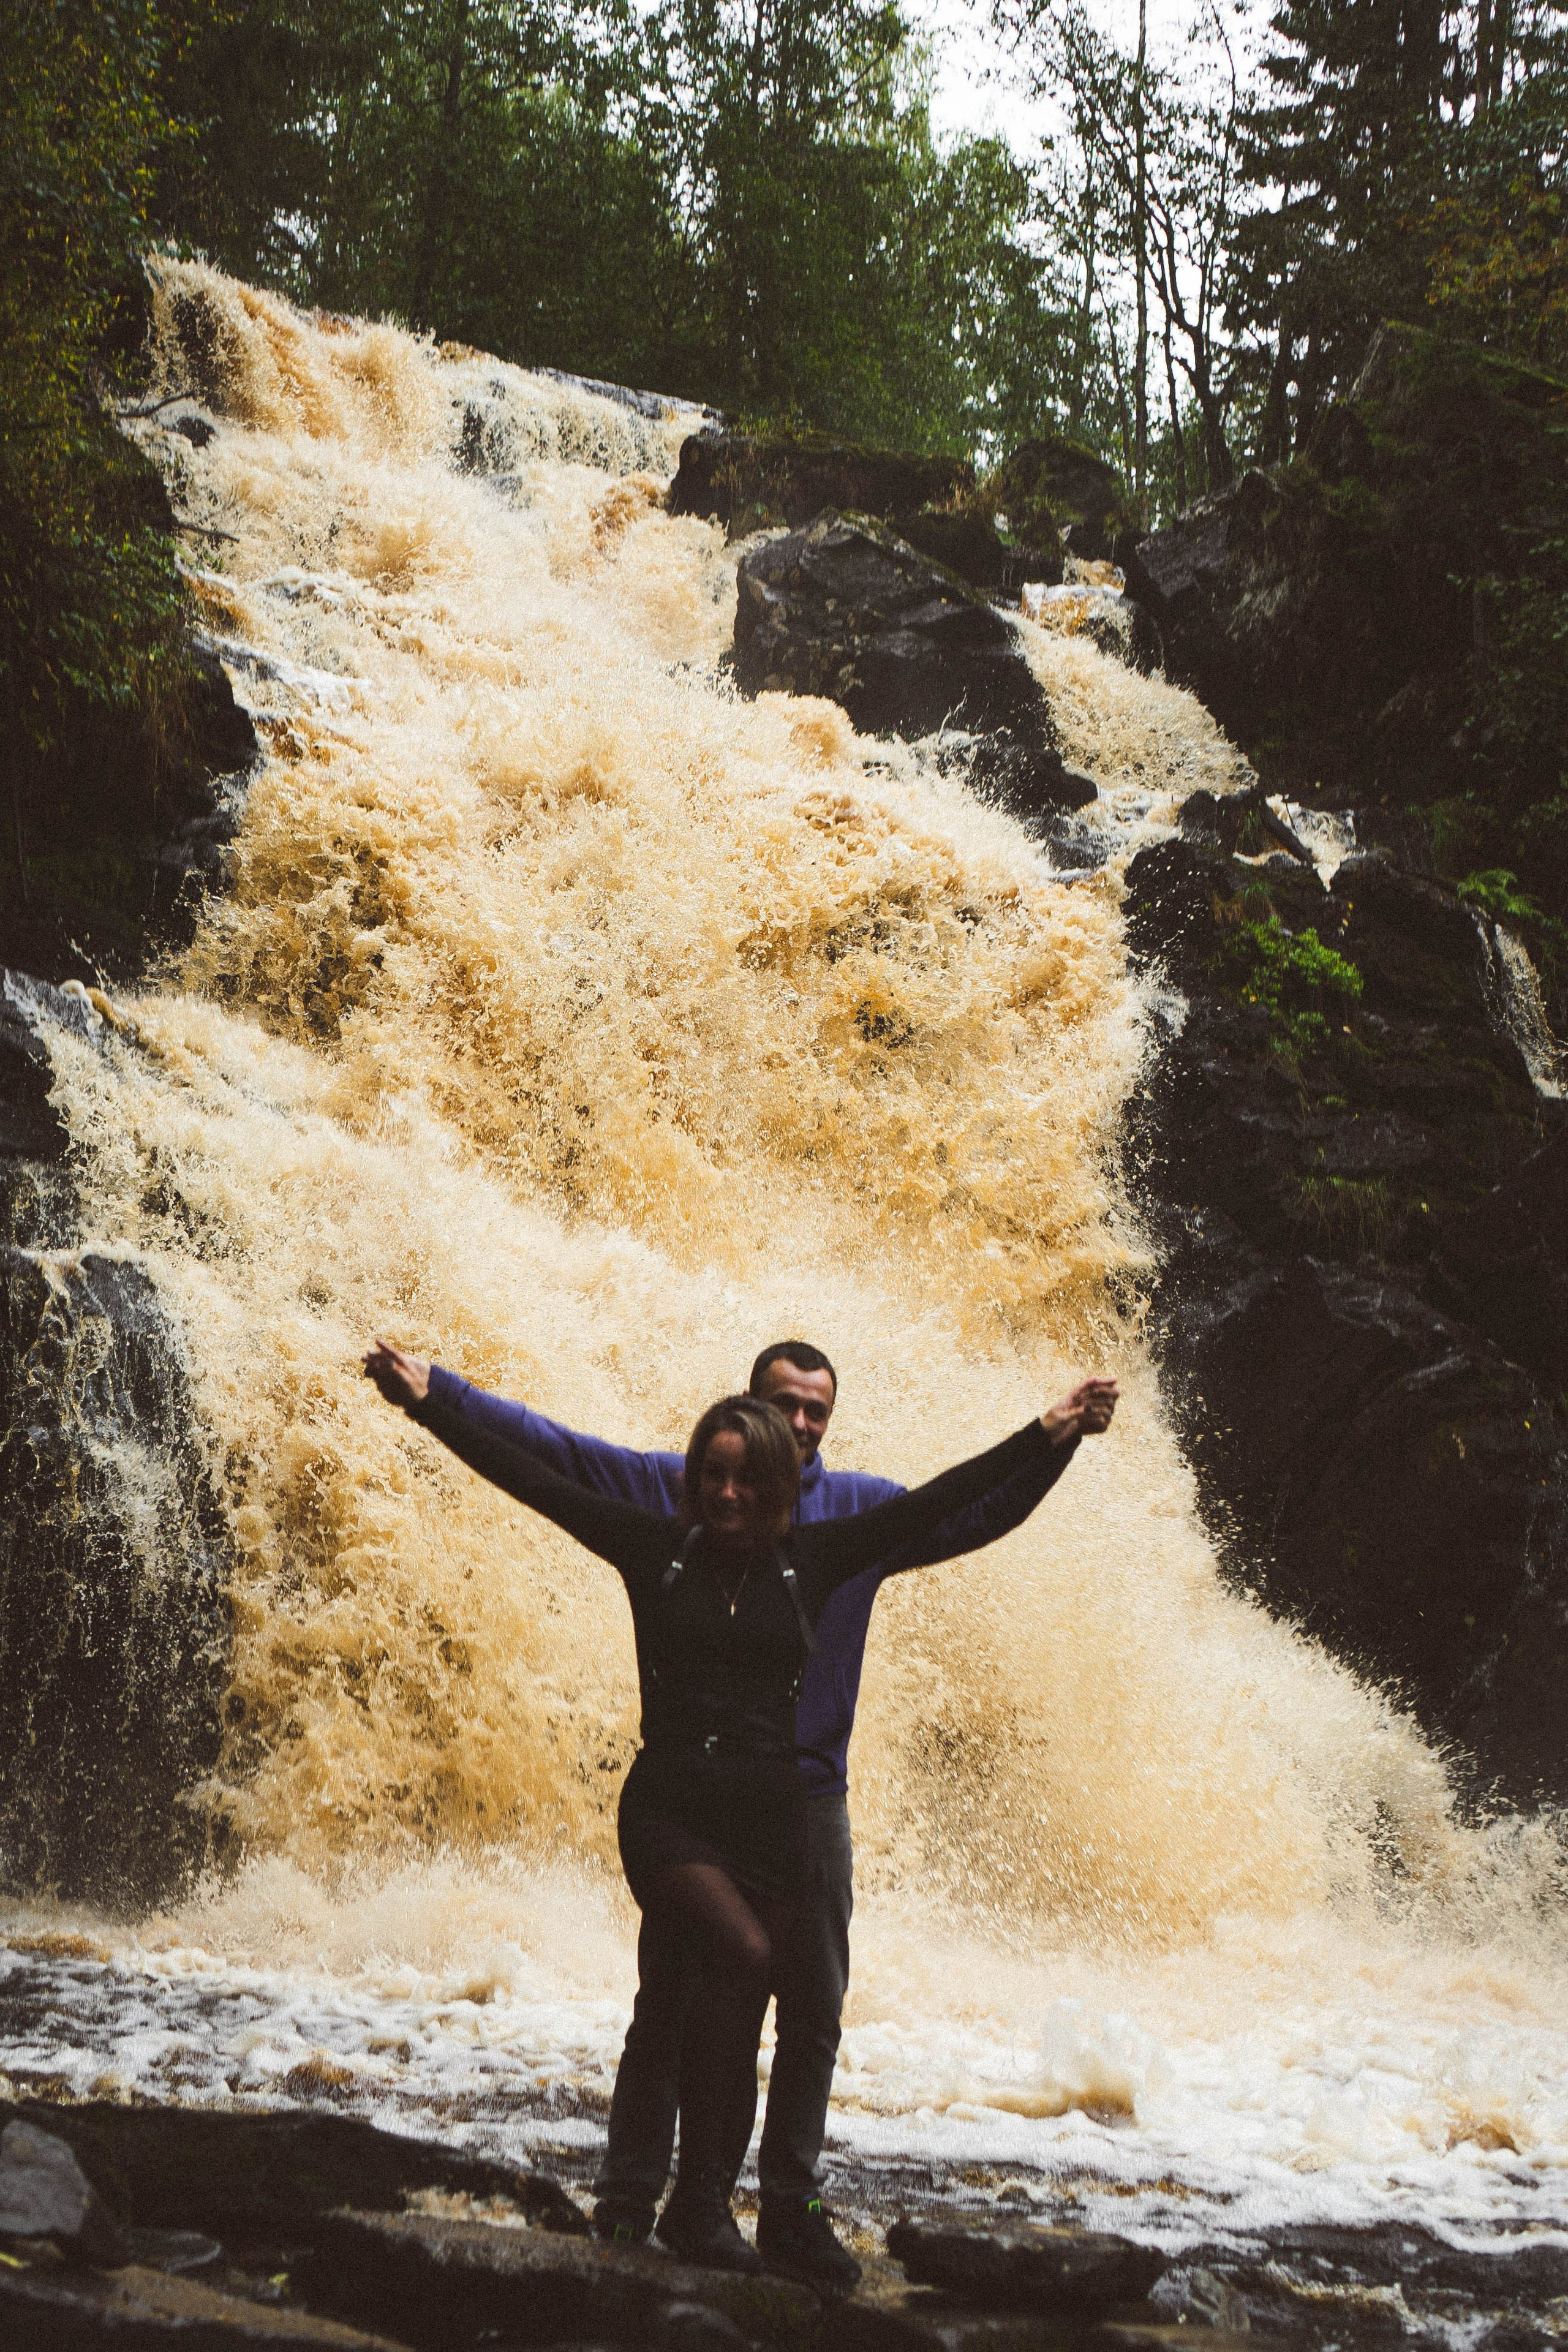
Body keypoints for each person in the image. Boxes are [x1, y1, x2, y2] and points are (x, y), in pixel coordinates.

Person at [363, 1341, 1117, 2283]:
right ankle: (638, 2204)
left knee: (782, 2006)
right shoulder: (656, 1526)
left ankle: (734, 2207)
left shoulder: (829, 1541)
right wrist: (434, 1402)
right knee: (694, 1991)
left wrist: (1051, 1433)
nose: (731, 1487)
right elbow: (541, 1470)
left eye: (756, 1467)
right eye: (718, 1469)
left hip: (787, 1813)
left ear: (785, 1472)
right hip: (678, 1809)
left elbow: (951, 1500)